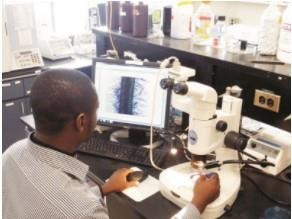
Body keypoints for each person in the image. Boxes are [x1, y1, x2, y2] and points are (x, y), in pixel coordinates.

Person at [2, 69, 220, 219]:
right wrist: (197, 203)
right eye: (96, 110)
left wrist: (103, 189)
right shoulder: (84, 212)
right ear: (81, 121)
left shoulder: (11, 154)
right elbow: (70, 205)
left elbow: (47, 202)